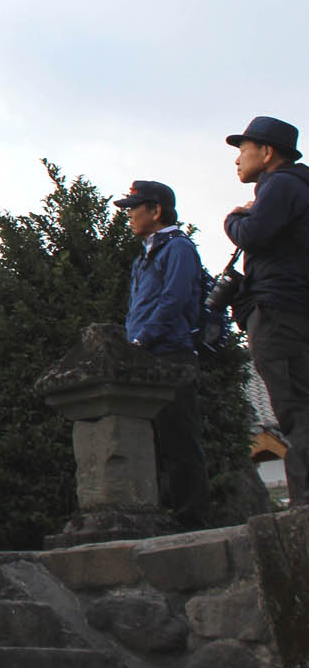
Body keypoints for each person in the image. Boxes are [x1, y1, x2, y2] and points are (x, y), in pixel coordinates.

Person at [115, 179, 213, 529]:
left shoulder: (178, 248)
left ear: (155, 210)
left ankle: (192, 520)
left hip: (172, 354)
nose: (128, 215)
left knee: (180, 440)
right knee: (156, 441)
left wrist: (141, 339)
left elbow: (174, 299)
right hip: (148, 353)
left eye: (133, 208)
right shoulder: (147, 253)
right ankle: (168, 515)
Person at [224, 116, 309, 507]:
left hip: (279, 313)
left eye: (243, 149)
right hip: (295, 308)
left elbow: (254, 234)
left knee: (294, 409)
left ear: (267, 151)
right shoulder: (299, 186)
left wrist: (236, 217)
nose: (238, 159)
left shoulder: (279, 185)